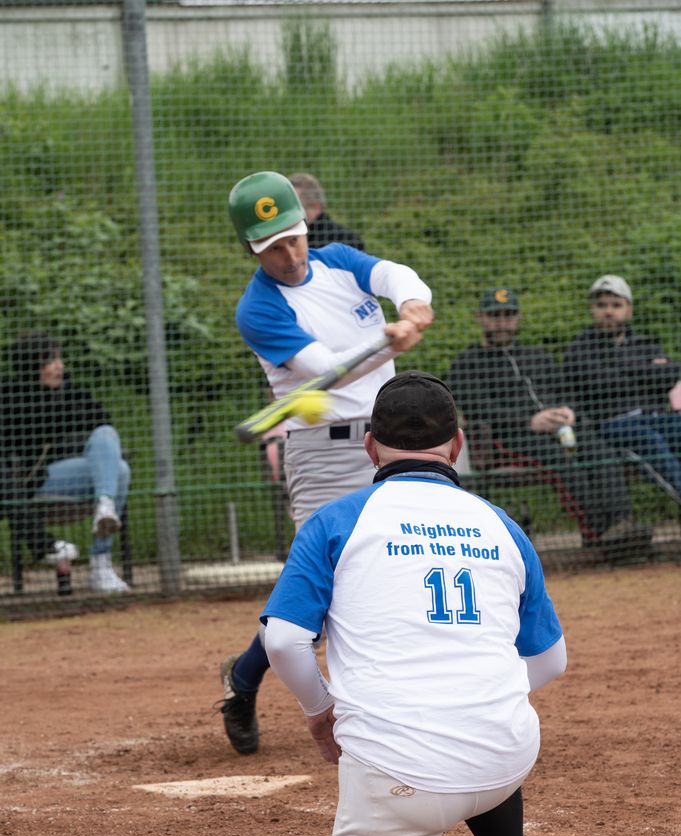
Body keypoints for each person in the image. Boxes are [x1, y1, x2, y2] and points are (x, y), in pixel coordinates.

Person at [261, 370, 567, 836]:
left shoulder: (338, 520)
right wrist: (486, 694)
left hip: (400, 771)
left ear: (369, 447)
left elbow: (284, 642)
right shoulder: (501, 524)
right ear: (457, 445)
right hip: (506, 759)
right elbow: (551, 662)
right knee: (479, 719)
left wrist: (319, 711)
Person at [218, 169, 433, 755]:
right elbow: (328, 371)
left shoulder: (338, 260)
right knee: (323, 585)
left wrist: (413, 302)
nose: (289, 256)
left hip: (390, 438)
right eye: (272, 248)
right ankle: (244, 677)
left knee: (400, 562)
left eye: (293, 238)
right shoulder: (258, 309)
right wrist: (390, 340)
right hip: (322, 453)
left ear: (304, 225)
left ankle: (394, 703)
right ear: (251, 250)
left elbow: (393, 274)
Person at [448, 287, 649, 548]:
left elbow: (567, 392)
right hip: (508, 438)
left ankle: (622, 524)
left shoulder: (537, 355)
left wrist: (568, 411)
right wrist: (528, 421)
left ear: (518, 317)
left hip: (560, 430)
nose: (502, 322)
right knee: (560, 461)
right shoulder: (467, 362)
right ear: (480, 317)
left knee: (601, 452)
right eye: (494, 315)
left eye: (508, 315)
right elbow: (477, 407)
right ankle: (599, 534)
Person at [0, 332, 131, 593]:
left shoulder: (69, 392)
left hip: (69, 474)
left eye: (59, 359)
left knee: (119, 466)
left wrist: (63, 401)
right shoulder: (10, 396)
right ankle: (104, 505)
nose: (59, 366)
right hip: (32, 483)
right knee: (117, 469)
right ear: (33, 364)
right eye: (52, 361)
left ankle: (101, 560)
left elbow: (101, 420)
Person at [564, 275, 681, 501]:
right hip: (612, 425)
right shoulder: (578, 350)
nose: (608, 312)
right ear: (592, 309)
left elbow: (670, 374)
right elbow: (600, 384)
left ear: (629, 310)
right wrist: (646, 370)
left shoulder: (644, 343)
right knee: (648, 439)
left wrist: (619, 367)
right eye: (601, 305)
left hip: (656, 419)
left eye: (616, 305)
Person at [289, 172, 365, 250]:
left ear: (315, 206)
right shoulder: (288, 240)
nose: (289, 214)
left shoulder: (346, 240)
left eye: (293, 207)